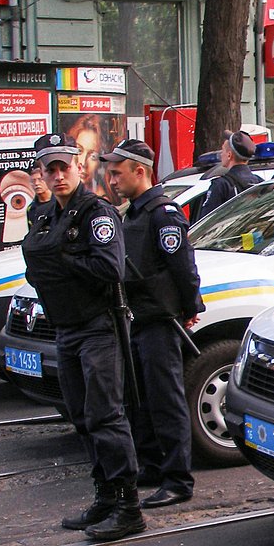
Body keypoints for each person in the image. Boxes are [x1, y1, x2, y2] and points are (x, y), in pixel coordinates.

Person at [23, 133, 145, 541]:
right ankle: (106, 496)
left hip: (99, 327)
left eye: (64, 167)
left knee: (106, 415)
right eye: (49, 168)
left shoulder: (96, 214)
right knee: (81, 416)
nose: (57, 175)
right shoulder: (46, 217)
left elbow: (111, 268)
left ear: (79, 168)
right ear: (41, 172)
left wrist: (63, 259)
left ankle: (129, 507)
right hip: (67, 328)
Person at [102, 139, 204, 508]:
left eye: (117, 172)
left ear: (140, 172)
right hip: (139, 317)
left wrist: (190, 306)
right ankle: (152, 464)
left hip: (160, 320)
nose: (111, 179)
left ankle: (177, 478)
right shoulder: (134, 213)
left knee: (166, 400)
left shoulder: (163, 214)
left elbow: (183, 268)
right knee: (139, 397)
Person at [192, 130, 260, 222]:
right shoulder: (259, 182)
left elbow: (205, 222)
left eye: (223, 150)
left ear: (229, 155)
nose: (221, 154)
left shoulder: (221, 185)